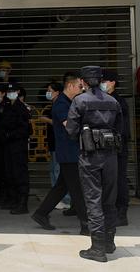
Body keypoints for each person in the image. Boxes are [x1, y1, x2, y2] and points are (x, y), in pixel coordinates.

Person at [66, 66, 123, 263]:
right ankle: (109, 242)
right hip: (111, 155)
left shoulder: (79, 100)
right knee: (109, 199)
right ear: (100, 80)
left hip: (90, 155)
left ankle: (98, 248)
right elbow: (120, 128)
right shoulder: (113, 101)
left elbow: (72, 131)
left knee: (93, 200)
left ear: (82, 81)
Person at [31, 73, 88, 235]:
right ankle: (86, 225)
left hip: (71, 151)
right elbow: (69, 125)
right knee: (77, 189)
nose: (81, 89)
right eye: (79, 86)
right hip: (69, 153)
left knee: (62, 186)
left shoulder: (69, 101)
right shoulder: (62, 104)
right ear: (70, 86)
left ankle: (41, 214)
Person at [101, 70, 131, 227]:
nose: (102, 84)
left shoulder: (119, 101)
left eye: (104, 81)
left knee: (119, 180)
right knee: (109, 181)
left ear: (112, 82)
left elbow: (122, 128)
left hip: (118, 147)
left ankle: (121, 213)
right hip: (106, 147)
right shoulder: (104, 99)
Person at [0, 83, 31, 215]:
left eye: (13, 91)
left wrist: (10, 135)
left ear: (17, 92)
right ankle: (14, 199)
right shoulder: (7, 106)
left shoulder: (21, 108)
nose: (10, 93)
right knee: (10, 173)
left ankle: (22, 203)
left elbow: (25, 129)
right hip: (8, 145)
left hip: (18, 145)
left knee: (20, 173)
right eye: (9, 91)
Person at [41, 82, 71, 209]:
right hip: (53, 143)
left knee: (59, 171)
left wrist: (47, 120)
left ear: (57, 92)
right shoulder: (52, 105)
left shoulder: (60, 104)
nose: (48, 93)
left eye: (50, 90)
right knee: (53, 170)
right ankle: (59, 199)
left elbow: (62, 123)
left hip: (60, 145)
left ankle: (66, 200)